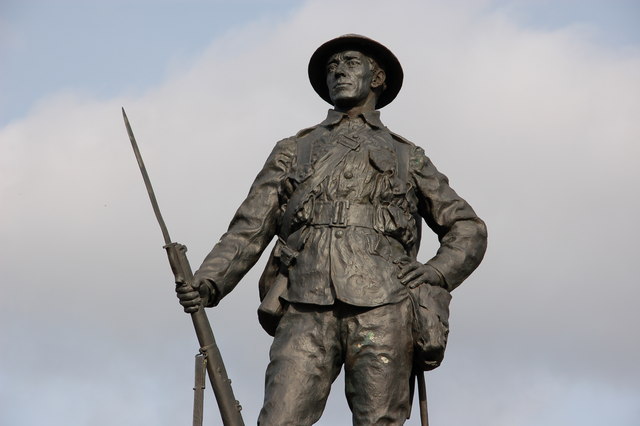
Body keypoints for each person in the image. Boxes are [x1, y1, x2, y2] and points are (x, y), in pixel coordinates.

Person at [176, 34, 487, 425]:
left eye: (350, 63)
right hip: (306, 301)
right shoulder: (295, 149)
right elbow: (250, 226)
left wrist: (437, 272)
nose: (338, 70)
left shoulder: (409, 156)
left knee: (379, 421)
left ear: (378, 79)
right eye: (332, 66)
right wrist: (208, 281)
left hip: (384, 305)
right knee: (279, 418)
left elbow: (467, 227)